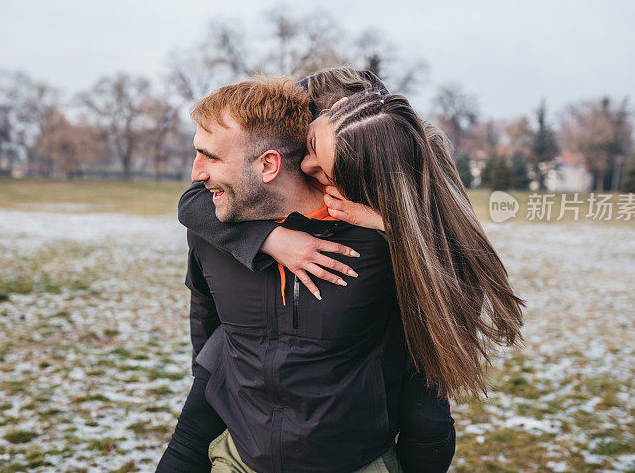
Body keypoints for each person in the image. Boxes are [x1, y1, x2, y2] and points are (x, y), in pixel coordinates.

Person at [157, 69, 457, 473]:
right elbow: (207, 323)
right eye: (308, 148)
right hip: (244, 454)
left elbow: (428, 371)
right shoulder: (215, 225)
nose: (309, 163)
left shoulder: (382, 239)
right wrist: (268, 238)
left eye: (322, 157)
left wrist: (393, 225)